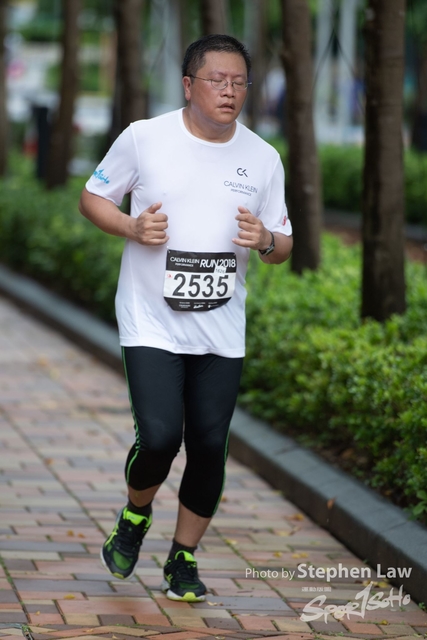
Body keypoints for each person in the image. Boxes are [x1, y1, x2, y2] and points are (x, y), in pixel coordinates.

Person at [78, 33, 293, 603]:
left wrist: (265, 239)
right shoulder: (144, 138)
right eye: (217, 80)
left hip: (221, 327)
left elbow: (283, 243)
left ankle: (183, 556)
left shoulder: (263, 158)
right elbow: (93, 197)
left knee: (208, 443)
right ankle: (135, 513)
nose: (229, 91)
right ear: (188, 85)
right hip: (150, 319)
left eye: (239, 81)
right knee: (158, 437)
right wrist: (131, 227)